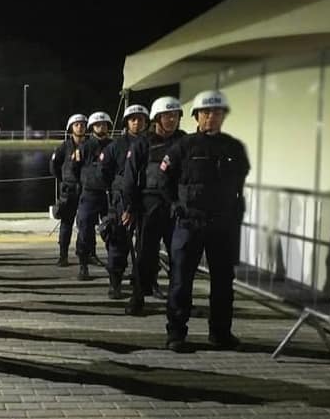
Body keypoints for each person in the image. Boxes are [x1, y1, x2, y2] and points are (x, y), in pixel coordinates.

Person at [160, 90, 250, 352]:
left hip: (222, 226)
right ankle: (176, 334)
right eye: (206, 112)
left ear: (223, 116)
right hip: (189, 224)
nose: (212, 117)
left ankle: (220, 333)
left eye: (217, 112)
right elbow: (164, 180)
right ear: (197, 116)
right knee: (180, 281)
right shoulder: (183, 147)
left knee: (223, 282)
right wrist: (176, 206)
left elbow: (240, 182)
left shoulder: (234, 147)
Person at [121, 96, 186, 315]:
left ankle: (180, 301)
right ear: (157, 118)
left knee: (180, 256)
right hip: (149, 205)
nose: (171, 120)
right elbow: (129, 178)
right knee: (145, 255)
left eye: (175, 116)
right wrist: (130, 208)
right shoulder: (142, 143)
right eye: (167, 116)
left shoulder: (184, 141)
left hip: (176, 206)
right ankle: (138, 297)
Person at [100, 104, 149, 299]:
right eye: (133, 119)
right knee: (118, 240)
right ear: (127, 122)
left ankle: (144, 282)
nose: (137, 122)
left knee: (146, 244)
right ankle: (116, 283)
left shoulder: (151, 143)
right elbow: (103, 171)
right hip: (122, 199)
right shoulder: (115, 146)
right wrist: (117, 188)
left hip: (147, 198)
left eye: (140, 119)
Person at [72, 111, 113, 281]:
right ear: (92, 127)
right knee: (85, 230)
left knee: (113, 231)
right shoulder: (84, 147)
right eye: (97, 125)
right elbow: (74, 168)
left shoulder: (114, 145)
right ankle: (83, 265)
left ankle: (114, 268)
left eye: (103, 124)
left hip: (109, 195)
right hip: (89, 194)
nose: (101, 127)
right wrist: (84, 183)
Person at [49, 113, 87, 266]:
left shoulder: (89, 146)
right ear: (71, 128)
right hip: (69, 191)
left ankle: (86, 253)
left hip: (86, 190)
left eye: (82, 124)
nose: (80, 127)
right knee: (66, 224)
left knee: (85, 224)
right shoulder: (64, 147)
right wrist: (64, 179)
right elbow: (53, 166)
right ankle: (63, 255)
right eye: (77, 124)